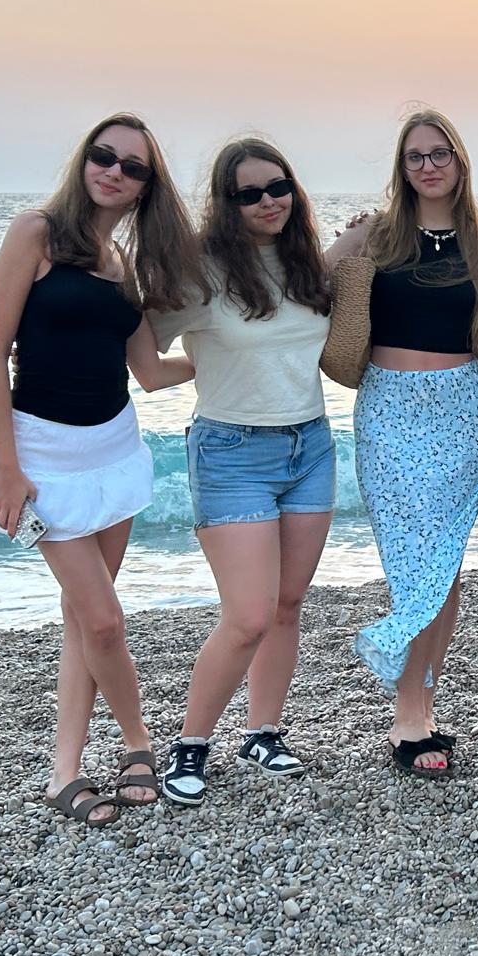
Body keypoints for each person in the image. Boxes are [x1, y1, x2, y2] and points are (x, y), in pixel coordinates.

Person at [0, 112, 204, 826]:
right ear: (85, 159)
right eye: (105, 156)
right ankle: (138, 742)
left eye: (133, 167)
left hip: (115, 453)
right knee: (103, 619)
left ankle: (64, 772)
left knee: (81, 619)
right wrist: (6, 466)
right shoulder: (35, 234)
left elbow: (150, 372)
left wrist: (235, 354)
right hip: (43, 460)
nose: (114, 172)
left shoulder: (123, 264)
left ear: (146, 187)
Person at [150, 138, 335, 806]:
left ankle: (263, 733)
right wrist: (204, 365)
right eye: (249, 194)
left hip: (311, 446)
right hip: (231, 453)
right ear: (226, 204)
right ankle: (190, 744)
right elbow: (143, 358)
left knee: (286, 605)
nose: (267, 202)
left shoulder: (309, 264)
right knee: (248, 615)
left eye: (277, 187)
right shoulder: (199, 272)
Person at [328, 108, 478, 778]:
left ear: (459, 162)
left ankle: (419, 709)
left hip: (463, 413)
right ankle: (409, 708)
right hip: (389, 412)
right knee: (412, 567)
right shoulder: (374, 236)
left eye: (439, 154)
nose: (428, 166)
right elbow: (301, 284)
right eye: (415, 156)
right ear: (401, 169)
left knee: (446, 567)